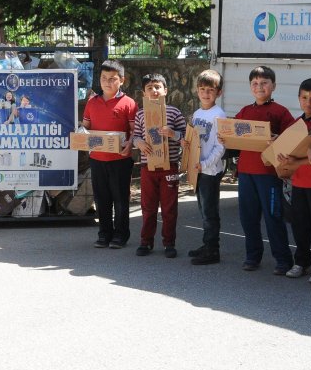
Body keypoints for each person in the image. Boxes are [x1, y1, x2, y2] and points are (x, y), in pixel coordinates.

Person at [232, 66, 296, 274]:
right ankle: (252, 257)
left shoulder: (280, 111)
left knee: (273, 217)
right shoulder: (244, 111)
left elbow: (294, 139)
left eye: (264, 83)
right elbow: (231, 132)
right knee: (248, 217)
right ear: (250, 87)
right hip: (246, 173)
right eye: (255, 83)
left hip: (268, 175)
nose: (259, 87)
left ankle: (283, 260)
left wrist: (279, 141)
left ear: (273, 86)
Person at [82, 59, 137, 249]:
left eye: (112, 79)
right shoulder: (92, 102)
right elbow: (86, 127)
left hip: (120, 160)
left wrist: (130, 145)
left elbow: (134, 131)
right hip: (97, 159)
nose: (107, 82)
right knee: (101, 199)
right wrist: (78, 135)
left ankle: (121, 235)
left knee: (120, 199)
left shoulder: (129, 103)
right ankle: (104, 234)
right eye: (104, 78)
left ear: (122, 80)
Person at [278, 78, 311, 282]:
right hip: (297, 183)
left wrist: (296, 159)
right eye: (304, 98)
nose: (309, 103)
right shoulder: (295, 124)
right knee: (300, 225)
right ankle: (301, 262)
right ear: (299, 99)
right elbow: (285, 152)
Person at [132, 73, 187, 258]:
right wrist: (138, 142)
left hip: (169, 167)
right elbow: (136, 136)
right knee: (148, 208)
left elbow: (187, 138)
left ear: (165, 90)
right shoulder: (140, 114)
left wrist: (174, 134)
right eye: (150, 88)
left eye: (157, 87)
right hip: (147, 168)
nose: (154, 91)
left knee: (169, 208)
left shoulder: (174, 112)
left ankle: (169, 243)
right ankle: (146, 242)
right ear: (144, 93)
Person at [187, 69, 227, 265]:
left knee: (210, 212)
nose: (205, 93)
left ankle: (213, 250)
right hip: (198, 169)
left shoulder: (219, 115)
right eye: (202, 89)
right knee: (203, 210)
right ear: (197, 91)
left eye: (210, 89)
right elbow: (193, 142)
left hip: (209, 170)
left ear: (218, 92)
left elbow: (221, 147)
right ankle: (206, 244)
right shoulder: (196, 113)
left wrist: (204, 164)